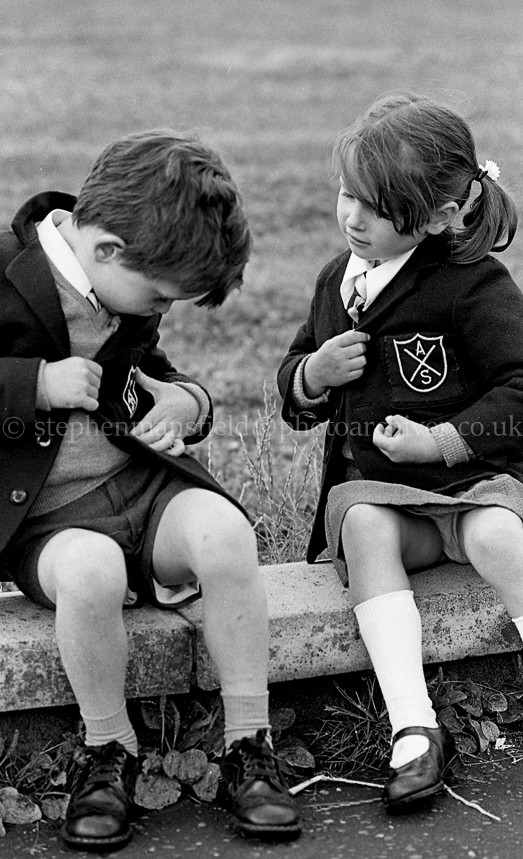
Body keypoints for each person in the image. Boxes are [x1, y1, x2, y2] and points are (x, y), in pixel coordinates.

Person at [0, 130, 301, 849]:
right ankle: (108, 753)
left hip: (141, 489)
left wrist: (187, 403)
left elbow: (155, 371)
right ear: (105, 251)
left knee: (224, 533)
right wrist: (32, 385)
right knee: (91, 571)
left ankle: (246, 745)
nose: (160, 307)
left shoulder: (123, 278)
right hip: (47, 521)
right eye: (161, 295)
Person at [278, 92, 523, 811]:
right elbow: (294, 392)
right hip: (384, 501)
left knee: (499, 532)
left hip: (475, 484)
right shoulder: (337, 279)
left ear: (440, 217)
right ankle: (414, 726)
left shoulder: (470, 284)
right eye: (346, 195)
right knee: (359, 524)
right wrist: (310, 376)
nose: (352, 217)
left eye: (376, 208)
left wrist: (440, 441)